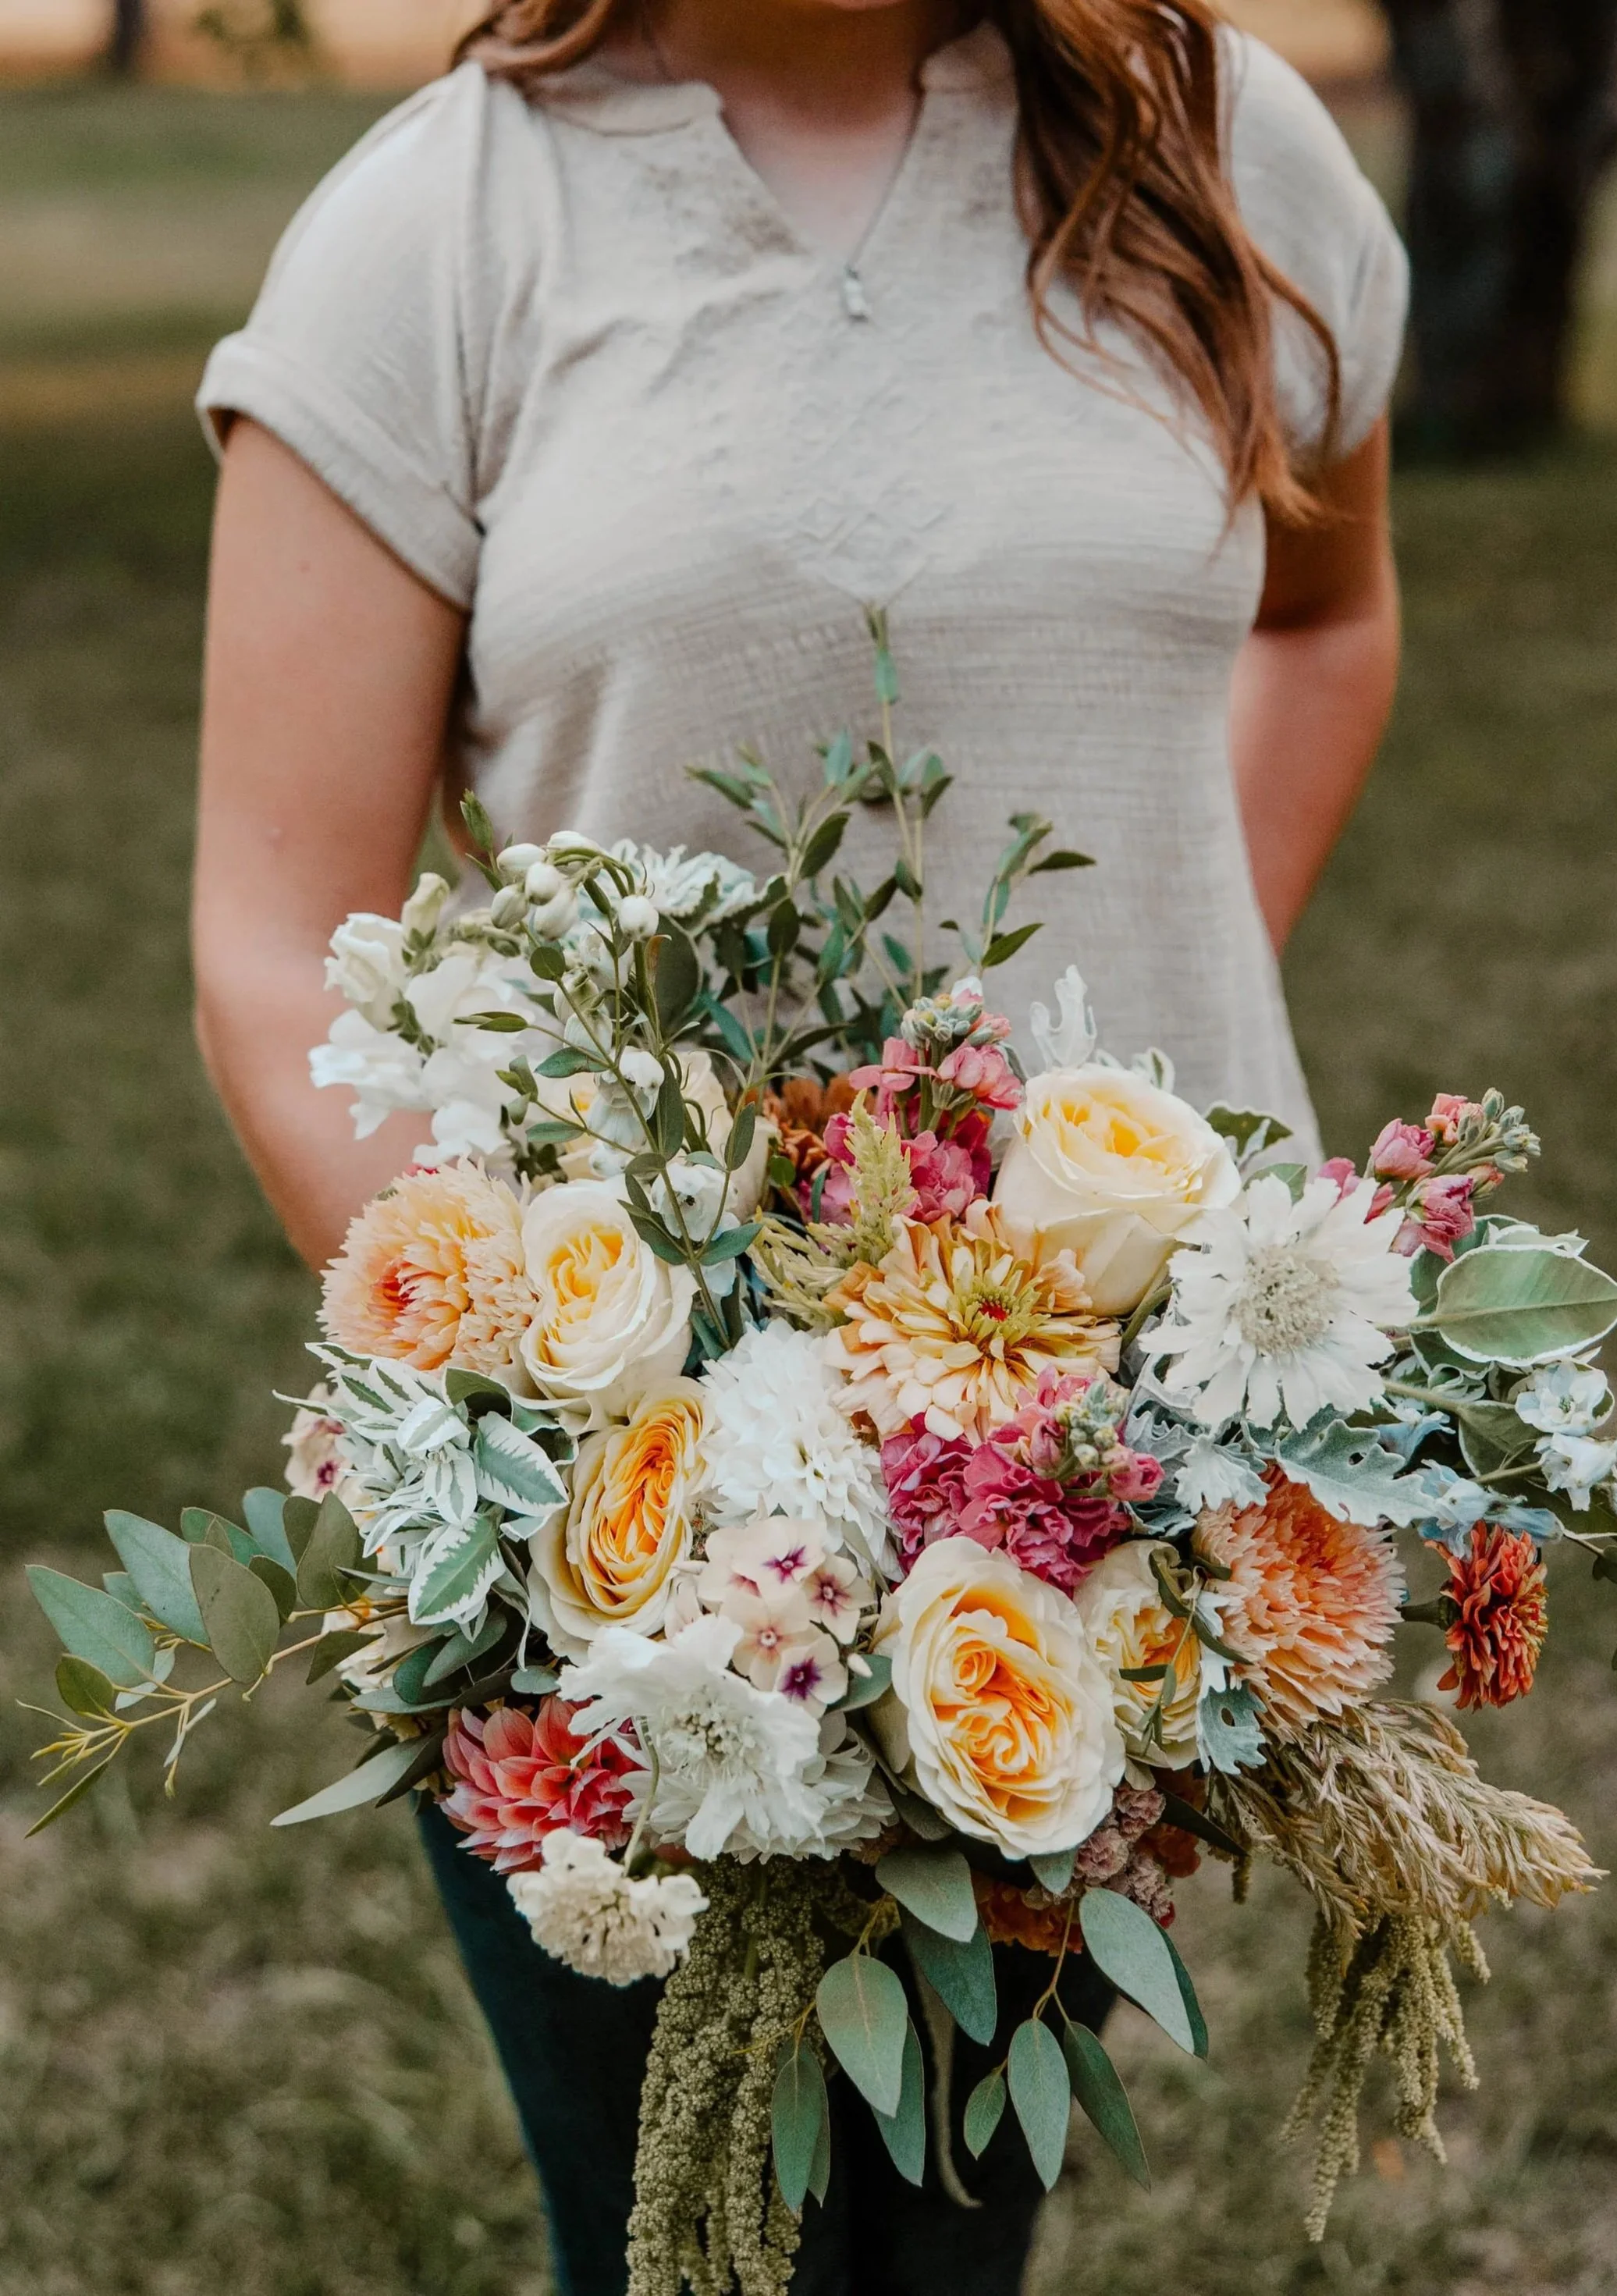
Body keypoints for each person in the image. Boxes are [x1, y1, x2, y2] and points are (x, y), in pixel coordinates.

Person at [190, 2, 1407, 2289]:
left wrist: (1136, 1133)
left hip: (1077, 1527)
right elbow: (277, 940)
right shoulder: (430, 235)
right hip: (613, 1551)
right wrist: (567, 1447)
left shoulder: (1225, 147)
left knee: (944, 2243)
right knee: (680, 2255)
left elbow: (1325, 620)